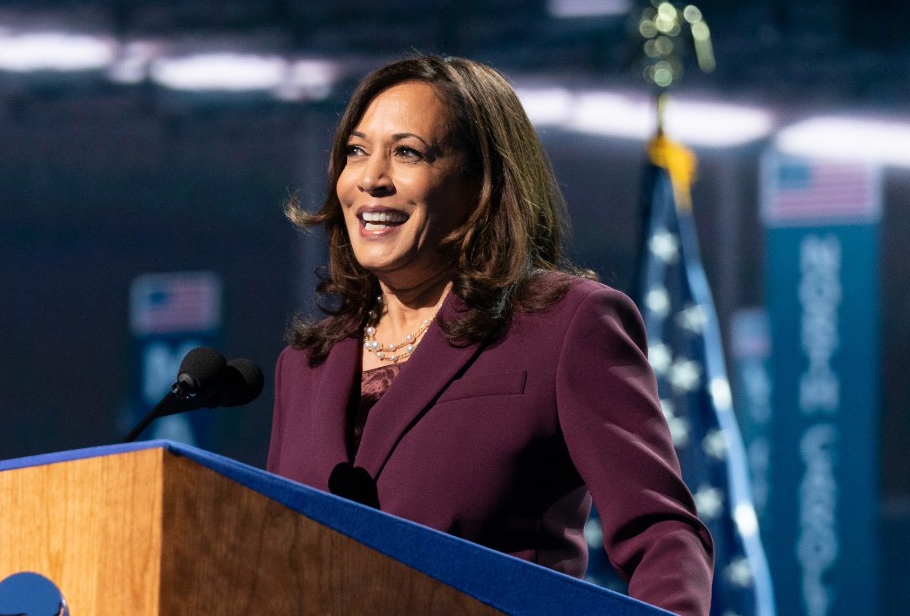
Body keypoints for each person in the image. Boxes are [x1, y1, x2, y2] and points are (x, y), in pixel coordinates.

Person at [266, 55, 714, 616]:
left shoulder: (565, 325)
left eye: (407, 153)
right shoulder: (306, 365)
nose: (370, 179)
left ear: (480, 183)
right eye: (357, 151)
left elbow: (663, 536)